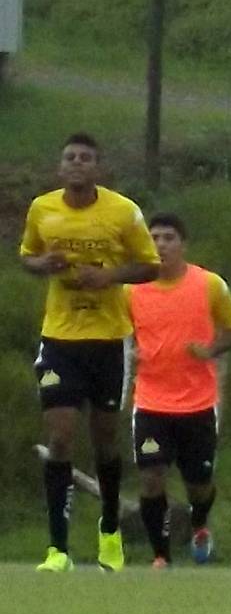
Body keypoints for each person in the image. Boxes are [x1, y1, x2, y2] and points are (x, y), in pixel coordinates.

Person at [22, 132, 159, 573]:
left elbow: (150, 264)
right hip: (59, 338)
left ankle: (109, 532)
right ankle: (57, 549)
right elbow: (28, 254)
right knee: (60, 435)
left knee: (104, 440)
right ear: (60, 167)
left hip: (108, 340)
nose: (77, 163)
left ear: (98, 168)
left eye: (86, 158)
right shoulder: (43, 209)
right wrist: (42, 266)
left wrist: (109, 277)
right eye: (70, 157)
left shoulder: (123, 212)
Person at [127, 213, 231, 568]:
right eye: (154, 238)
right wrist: (130, 352)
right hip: (150, 401)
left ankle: (199, 524)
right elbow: (119, 331)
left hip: (197, 402)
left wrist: (210, 350)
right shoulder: (132, 290)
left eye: (168, 238)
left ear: (183, 244)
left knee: (199, 482)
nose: (160, 245)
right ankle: (160, 555)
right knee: (151, 477)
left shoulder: (208, 285)